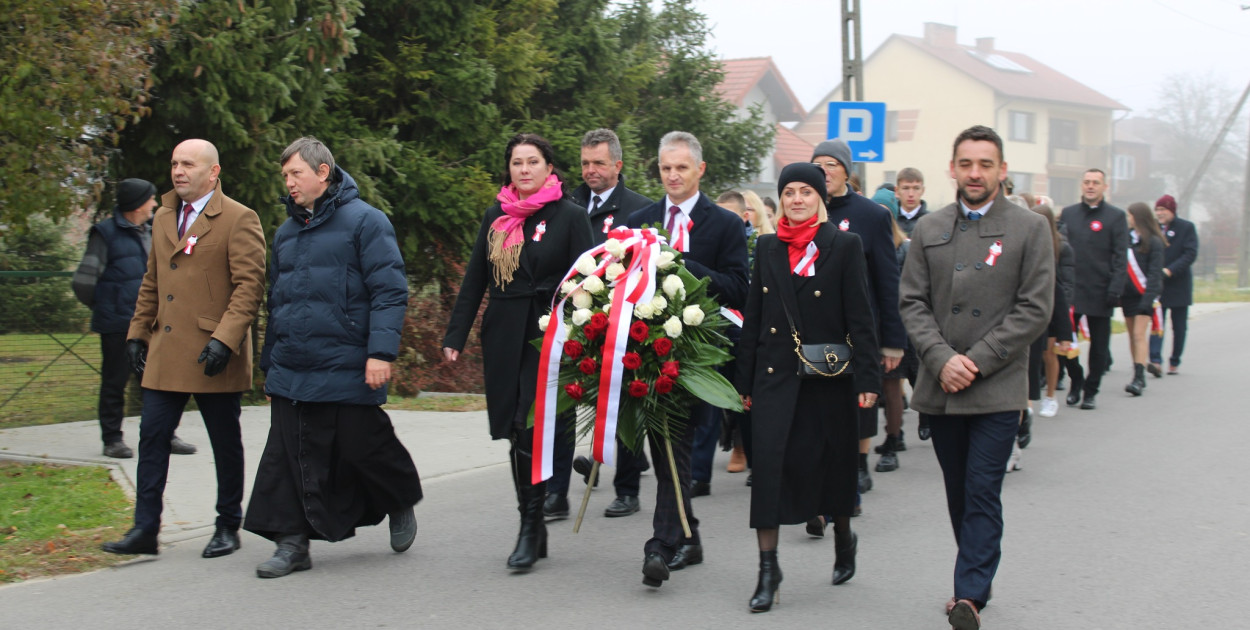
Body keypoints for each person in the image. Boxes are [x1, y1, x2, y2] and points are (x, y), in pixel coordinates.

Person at [243, 137, 423, 578]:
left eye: (296, 174)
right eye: (284, 176)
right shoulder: (285, 233)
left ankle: (397, 500)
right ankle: (292, 545)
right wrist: (271, 365)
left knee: (364, 446)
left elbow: (389, 291)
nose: (288, 183)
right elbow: (278, 303)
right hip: (293, 365)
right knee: (287, 455)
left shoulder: (367, 222)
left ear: (323, 173)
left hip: (347, 361)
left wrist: (381, 352)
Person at [899, 125, 1054, 630]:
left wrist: (978, 360)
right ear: (952, 168)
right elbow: (912, 303)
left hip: (998, 387)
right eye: (966, 163)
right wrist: (941, 358)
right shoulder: (930, 228)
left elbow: (1035, 309)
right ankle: (974, 577)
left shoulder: (1029, 228)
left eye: (985, 164)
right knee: (958, 490)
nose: (975, 173)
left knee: (983, 488)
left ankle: (969, 594)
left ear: (1002, 170)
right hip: (941, 385)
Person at [101, 139, 266, 559]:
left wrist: (225, 340)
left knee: (225, 443)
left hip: (214, 354)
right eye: (174, 163)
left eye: (188, 164)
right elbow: (152, 281)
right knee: (152, 437)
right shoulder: (162, 217)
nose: (178, 171)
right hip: (167, 349)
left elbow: (249, 287)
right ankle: (145, 529)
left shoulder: (238, 218)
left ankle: (228, 525)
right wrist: (137, 333)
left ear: (213, 172)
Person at [734, 162, 881, 613]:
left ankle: (843, 536)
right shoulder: (767, 247)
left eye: (806, 192)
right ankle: (768, 569)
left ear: (821, 198)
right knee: (771, 471)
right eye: (790, 192)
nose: (797, 199)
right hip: (775, 378)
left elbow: (861, 315)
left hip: (828, 378)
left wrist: (869, 379)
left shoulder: (844, 246)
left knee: (832, 465)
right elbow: (753, 320)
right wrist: (743, 382)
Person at [443, 133, 594, 571]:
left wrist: (585, 339)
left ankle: (530, 525)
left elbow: (589, 281)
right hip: (504, 332)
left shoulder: (570, 215)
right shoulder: (496, 216)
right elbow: (475, 279)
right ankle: (533, 523)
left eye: (532, 162)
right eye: (516, 163)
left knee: (531, 427)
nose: (524, 170)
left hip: (548, 332)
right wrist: (456, 335)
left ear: (549, 167)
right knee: (513, 428)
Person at [624, 130, 748, 588]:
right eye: (665, 168)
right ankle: (687, 536)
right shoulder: (640, 220)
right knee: (666, 447)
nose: (672, 176)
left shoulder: (726, 225)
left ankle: (661, 544)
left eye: (681, 168)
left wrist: (682, 264)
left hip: (698, 356)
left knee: (674, 442)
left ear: (700, 170)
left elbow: (738, 289)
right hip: (647, 352)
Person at [72, 178, 197, 459]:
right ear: (137, 204)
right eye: (150, 199)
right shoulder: (104, 235)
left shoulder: (155, 231)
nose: (154, 204)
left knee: (161, 381)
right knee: (115, 381)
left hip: (154, 322)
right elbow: (83, 282)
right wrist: (107, 306)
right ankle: (112, 440)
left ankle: (164, 435)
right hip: (118, 324)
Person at [565, 128, 653, 520]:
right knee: (584, 395)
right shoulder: (568, 204)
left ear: (618, 165)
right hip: (578, 315)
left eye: (599, 163)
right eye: (585, 163)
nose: (590, 170)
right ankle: (594, 460)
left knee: (624, 399)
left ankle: (627, 488)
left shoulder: (638, 208)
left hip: (622, 319)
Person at [811, 139, 904, 505]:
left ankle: (859, 462)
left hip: (860, 327)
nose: (824, 172)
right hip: (815, 328)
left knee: (859, 401)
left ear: (846, 171)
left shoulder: (872, 215)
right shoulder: (803, 210)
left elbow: (887, 280)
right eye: (817, 165)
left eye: (831, 165)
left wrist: (892, 340)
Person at [1060, 169, 1129, 410]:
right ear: (1082, 185)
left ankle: (1091, 390)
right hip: (1071, 290)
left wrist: (1116, 288)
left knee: (1099, 347)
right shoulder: (1068, 214)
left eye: (1096, 183)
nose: (1090, 186)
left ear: (1104, 187)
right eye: (1087, 182)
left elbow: (1121, 256)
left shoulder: (1116, 217)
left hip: (1102, 290)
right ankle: (1076, 380)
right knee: (1065, 344)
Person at [1012, 204, 1073, 471]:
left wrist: (1065, 334)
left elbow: (1056, 291)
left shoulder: (1040, 251)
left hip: (1031, 329)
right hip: (995, 328)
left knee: (1022, 382)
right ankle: (1013, 434)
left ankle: (1019, 426)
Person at [874, 212, 916, 473]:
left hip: (897, 325)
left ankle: (893, 439)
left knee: (893, 386)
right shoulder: (867, 244)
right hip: (874, 324)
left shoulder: (904, 249)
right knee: (882, 386)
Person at [1149, 194, 1198, 376]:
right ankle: (1155, 360)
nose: (1160, 213)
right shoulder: (1153, 228)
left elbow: (1190, 254)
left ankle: (1174, 360)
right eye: (1158, 210)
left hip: (1178, 284)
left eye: (1163, 210)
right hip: (1157, 286)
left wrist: (1170, 270)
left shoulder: (1186, 228)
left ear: (1172, 210)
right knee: (1156, 323)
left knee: (1179, 326)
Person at [1120, 202, 1166, 396]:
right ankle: (1138, 367)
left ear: (1137, 217)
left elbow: (1155, 273)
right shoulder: (1127, 240)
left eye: (1130, 215)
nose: (1128, 219)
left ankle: (1138, 378)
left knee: (1139, 335)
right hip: (1128, 296)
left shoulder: (1154, 242)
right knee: (1132, 336)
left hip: (1145, 295)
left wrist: (1148, 299)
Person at [1034, 204, 1075, 419]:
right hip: (1032, 308)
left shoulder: (1061, 247)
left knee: (1049, 355)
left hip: (1051, 309)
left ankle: (1050, 396)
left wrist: (1064, 323)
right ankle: (1028, 400)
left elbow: (1064, 285)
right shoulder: (1029, 245)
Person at [894, 167, 929, 237]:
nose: (911, 194)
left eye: (916, 188)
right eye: (905, 188)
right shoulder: (890, 220)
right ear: (897, 190)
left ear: (923, 190)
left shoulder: (931, 221)